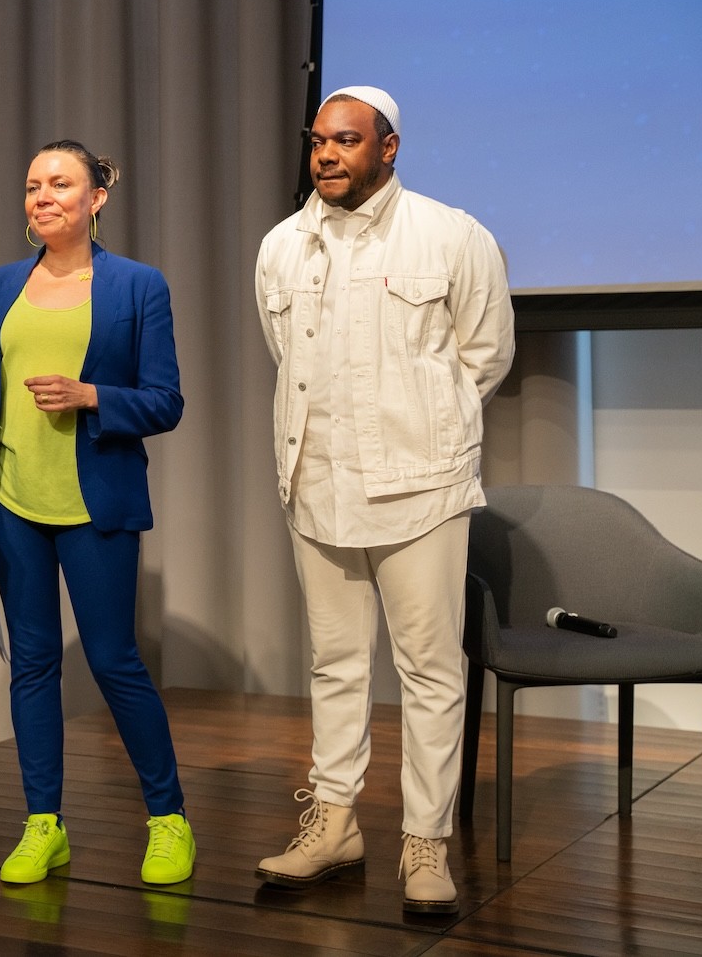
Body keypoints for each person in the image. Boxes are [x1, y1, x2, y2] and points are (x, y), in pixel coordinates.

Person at [252, 86, 514, 914]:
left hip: (420, 483)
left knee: (429, 669)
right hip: (315, 479)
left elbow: (485, 354)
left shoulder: (450, 234)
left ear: (388, 148)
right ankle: (334, 824)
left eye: (345, 141)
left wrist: (425, 428)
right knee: (334, 662)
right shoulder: (282, 246)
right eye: (317, 141)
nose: (326, 155)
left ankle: (425, 841)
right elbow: (282, 351)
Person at [0, 140, 193, 887]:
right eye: (31, 186)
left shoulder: (136, 287)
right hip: (10, 502)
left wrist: (92, 398)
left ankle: (168, 818)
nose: (41, 196)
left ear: (96, 197)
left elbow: (166, 400)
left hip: (93, 502)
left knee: (114, 660)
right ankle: (43, 823)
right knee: (32, 664)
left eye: (59, 183)